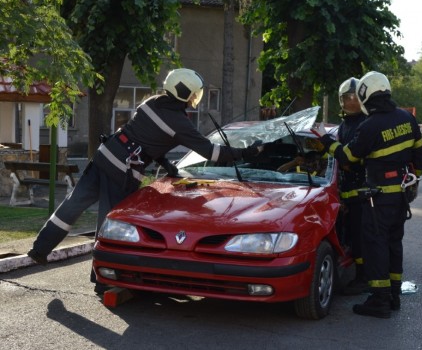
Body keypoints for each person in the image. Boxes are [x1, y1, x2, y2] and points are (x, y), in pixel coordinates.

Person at [27, 68, 262, 292]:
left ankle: (40, 249)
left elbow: (147, 136)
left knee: (73, 203)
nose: (194, 98)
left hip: (104, 155)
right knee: (109, 223)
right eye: (193, 93)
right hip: (122, 170)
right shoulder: (179, 122)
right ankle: (102, 279)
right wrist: (244, 153)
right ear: (185, 93)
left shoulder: (151, 102)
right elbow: (212, 153)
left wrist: (164, 163)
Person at [318, 71, 422, 318]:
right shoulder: (407, 119)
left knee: (374, 247)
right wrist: (414, 181)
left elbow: (346, 157)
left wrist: (326, 141)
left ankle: (379, 301)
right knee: (393, 244)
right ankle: (394, 295)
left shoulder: (371, 125)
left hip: (377, 198)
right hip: (400, 196)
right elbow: (419, 154)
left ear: (366, 94)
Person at [335, 77, 368, 295]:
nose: (351, 101)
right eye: (347, 97)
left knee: (361, 236)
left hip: (363, 191)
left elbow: (352, 157)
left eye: (355, 97)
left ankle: (364, 277)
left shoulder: (366, 123)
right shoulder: (343, 125)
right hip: (345, 191)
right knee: (349, 234)